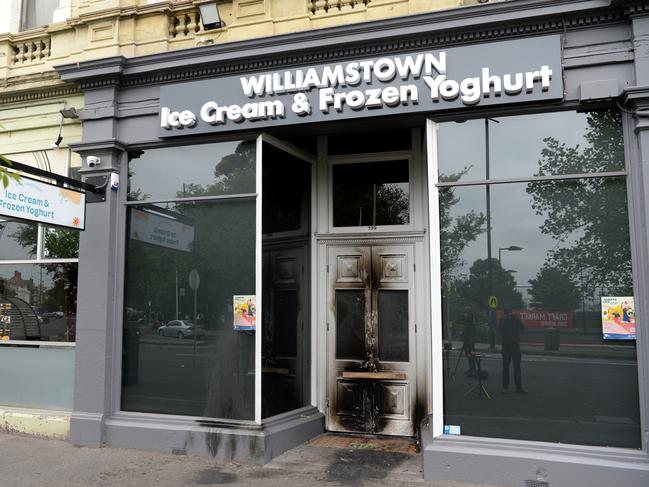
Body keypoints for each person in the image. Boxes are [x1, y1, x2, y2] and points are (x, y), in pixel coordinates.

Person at [499, 308, 527, 394]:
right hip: (515, 345)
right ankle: (519, 387)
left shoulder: (502, 320)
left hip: (506, 345)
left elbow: (499, 329)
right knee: (517, 367)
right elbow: (522, 327)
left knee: (506, 367)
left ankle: (505, 387)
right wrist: (517, 317)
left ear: (505, 313)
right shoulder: (516, 319)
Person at [461, 311, 477, 377]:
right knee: (469, 355)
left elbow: (469, 330)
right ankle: (472, 369)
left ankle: (473, 370)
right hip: (469, 339)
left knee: (470, 355)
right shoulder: (471, 321)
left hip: (469, 340)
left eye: (466, 314)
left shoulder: (469, 321)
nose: (465, 315)